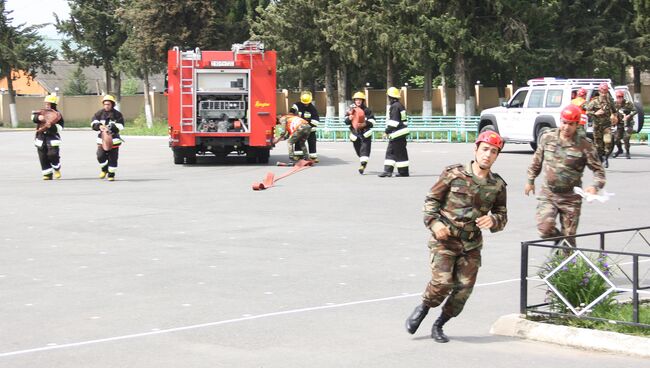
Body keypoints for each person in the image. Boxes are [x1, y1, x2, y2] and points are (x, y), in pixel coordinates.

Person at [404, 131, 507, 343]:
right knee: (442, 283)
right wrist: (434, 223)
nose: (488, 155)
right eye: (485, 149)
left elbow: (502, 214)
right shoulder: (454, 174)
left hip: (471, 243)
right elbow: (431, 201)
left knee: (463, 289)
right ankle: (424, 307)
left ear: (497, 156)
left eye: (494, 151)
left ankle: (439, 324)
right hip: (445, 239)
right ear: (476, 149)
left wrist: (494, 221)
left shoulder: (497, 185)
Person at [525, 104, 606, 248]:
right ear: (560, 120)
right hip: (548, 193)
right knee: (544, 229)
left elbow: (599, 172)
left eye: (571, 124)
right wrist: (530, 180)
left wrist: (595, 186)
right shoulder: (547, 138)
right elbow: (536, 161)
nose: (566, 127)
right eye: (564, 122)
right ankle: (559, 239)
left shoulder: (584, 145)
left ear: (577, 125)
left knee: (569, 239)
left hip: (571, 198)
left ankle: (565, 267)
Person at [91, 95, 125, 181]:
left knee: (113, 158)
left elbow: (121, 126)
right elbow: (93, 123)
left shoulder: (117, 114)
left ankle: (111, 174)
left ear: (112, 104)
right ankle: (104, 169)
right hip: (102, 140)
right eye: (105, 104)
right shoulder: (99, 113)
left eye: (108, 104)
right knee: (100, 156)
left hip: (114, 140)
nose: (106, 106)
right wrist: (99, 126)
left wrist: (112, 127)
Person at [378, 87, 410, 177]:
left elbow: (394, 122)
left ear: (389, 97)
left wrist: (386, 132)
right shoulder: (400, 105)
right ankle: (401, 172)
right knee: (398, 152)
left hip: (397, 133)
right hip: (401, 133)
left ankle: (389, 171)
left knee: (392, 152)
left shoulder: (395, 106)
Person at [33, 94, 64, 180]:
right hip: (41, 138)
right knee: (42, 156)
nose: (46, 105)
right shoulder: (41, 111)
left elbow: (60, 127)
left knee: (52, 154)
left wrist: (52, 127)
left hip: (52, 138)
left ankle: (56, 168)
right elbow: (33, 117)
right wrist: (38, 117)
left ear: (53, 104)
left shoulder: (57, 115)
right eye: (46, 103)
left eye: (48, 103)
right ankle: (47, 174)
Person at [344, 91, 376, 174]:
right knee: (358, 151)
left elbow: (373, 121)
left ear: (363, 101)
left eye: (360, 100)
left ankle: (363, 165)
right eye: (356, 100)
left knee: (365, 150)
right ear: (354, 101)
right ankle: (362, 161)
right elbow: (346, 121)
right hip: (355, 134)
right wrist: (349, 118)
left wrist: (365, 124)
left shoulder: (367, 110)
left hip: (365, 134)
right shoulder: (351, 110)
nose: (358, 101)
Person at [585, 82, 615, 167]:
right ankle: (601, 158)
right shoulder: (594, 102)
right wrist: (595, 113)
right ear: (599, 91)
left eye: (605, 91)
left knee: (608, 141)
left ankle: (606, 157)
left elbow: (614, 111)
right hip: (597, 126)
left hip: (607, 125)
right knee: (598, 146)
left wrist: (614, 116)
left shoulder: (610, 101)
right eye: (602, 91)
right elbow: (587, 112)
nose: (604, 93)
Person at [290, 91, 320, 162]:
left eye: (307, 103)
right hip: (299, 129)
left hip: (310, 130)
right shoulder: (297, 105)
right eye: (304, 103)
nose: (306, 104)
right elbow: (292, 111)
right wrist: (292, 114)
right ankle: (298, 155)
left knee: (312, 142)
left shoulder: (312, 109)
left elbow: (316, 120)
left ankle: (313, 157)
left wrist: (309, 126)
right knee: (297, 141)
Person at [612, 90, 637, 159]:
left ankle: (627, 152)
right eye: (618, 97)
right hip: (619, 124)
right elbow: (612, 112)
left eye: (621, 97)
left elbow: (635, 110)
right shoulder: (614, 104)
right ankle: (620, 150)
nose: (619, 98)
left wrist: (629, 116)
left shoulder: (628, 103)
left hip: (628, 124)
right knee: (616, 139)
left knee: (626, 138)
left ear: (623, 97)